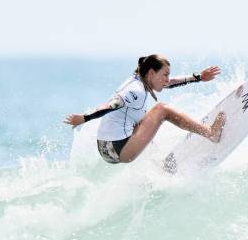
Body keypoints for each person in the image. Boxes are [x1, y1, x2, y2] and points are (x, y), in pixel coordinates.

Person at [64, 54, 226, 164]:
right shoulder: (136, 90)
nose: (167, 79)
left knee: (147, 120)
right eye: (164, 74)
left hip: (106, 149)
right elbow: (112, 105)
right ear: (151, 73)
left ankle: (156, 163)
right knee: (162, 110)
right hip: (119, 149)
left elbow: (168, 83)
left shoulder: (139, 79)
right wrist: (85, 118)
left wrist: (198, 77)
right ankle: (210, 132)